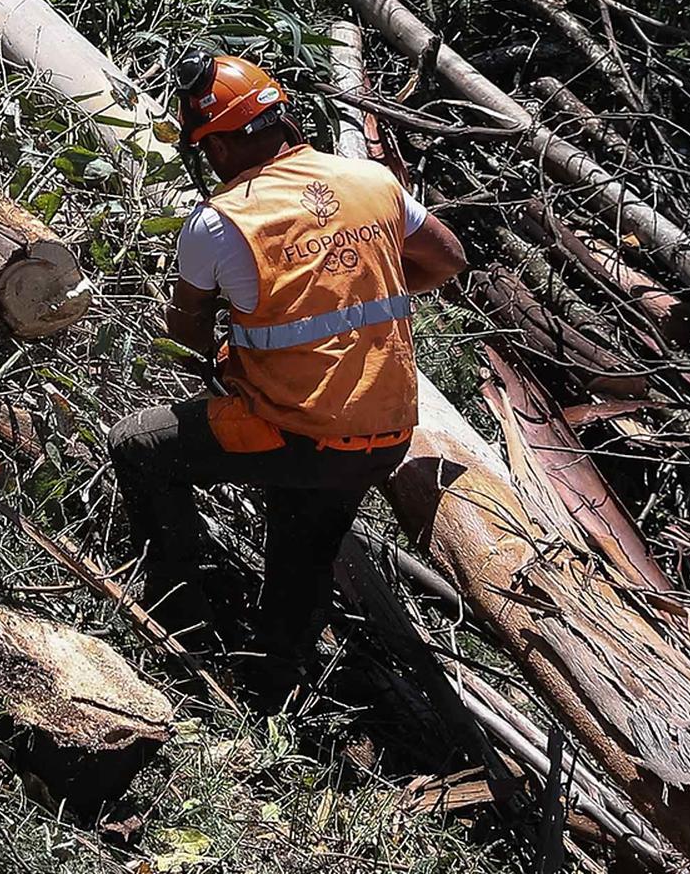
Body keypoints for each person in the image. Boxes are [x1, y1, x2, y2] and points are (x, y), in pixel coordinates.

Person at [106, 53, 467, 704]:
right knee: (302, 550)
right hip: (384, 437)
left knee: (138, 442)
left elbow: (182, 344)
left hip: (295, 432)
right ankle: (272, 694)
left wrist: (220, 358)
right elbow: (448, 259)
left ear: (217, 142)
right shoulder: (369, 181)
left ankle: (180, 624)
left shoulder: (220, 222)